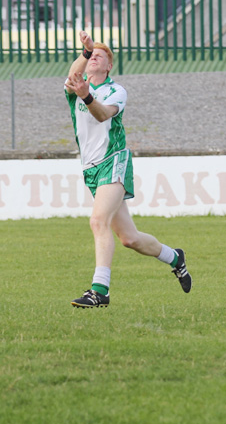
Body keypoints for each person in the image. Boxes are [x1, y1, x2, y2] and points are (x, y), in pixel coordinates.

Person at [64, 31, 192, 308]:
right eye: (91, 55)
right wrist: (84, 53)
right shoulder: (78, 85)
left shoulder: (115, 90)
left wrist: (87, 97)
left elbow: (102, 114)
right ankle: (175, 257)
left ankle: (100, 291)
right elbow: (72, 76)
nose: (95, 57)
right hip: (91, 168)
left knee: (98, 221)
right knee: (129, 239)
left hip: (114, 160)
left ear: (109, 66)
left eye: (101, 55)